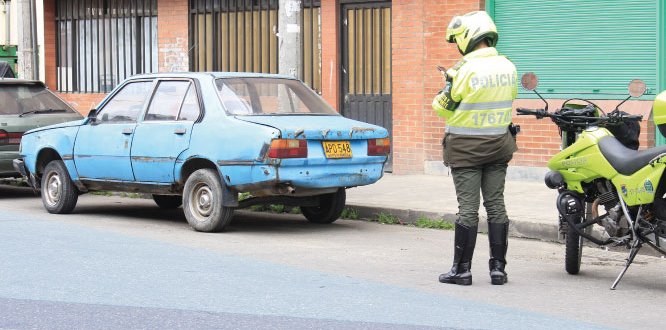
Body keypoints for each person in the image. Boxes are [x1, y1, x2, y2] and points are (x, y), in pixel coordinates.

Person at [432, 11, 518, 286]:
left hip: (466, 150)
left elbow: (441, 107)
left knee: (467, 209)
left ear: (468, 37)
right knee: (496, 205)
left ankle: (462, 270)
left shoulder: (463, 70)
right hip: (499, 146)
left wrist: (447, 84)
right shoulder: (508, 66)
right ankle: (498, 270)